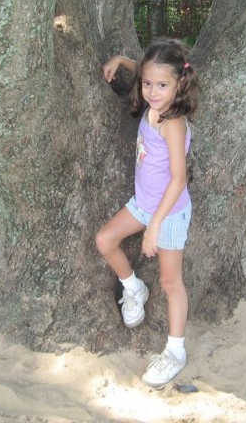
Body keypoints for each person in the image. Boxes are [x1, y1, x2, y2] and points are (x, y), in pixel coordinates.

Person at [96, 37, 201, 388]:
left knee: (171, 282)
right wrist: (120, 60)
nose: (153, 92)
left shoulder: (173, 122)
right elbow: (143, 69)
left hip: (168, 213)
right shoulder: (152, 100)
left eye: (162, 85)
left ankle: (175, 351)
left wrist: (154, 227)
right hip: (143, 204)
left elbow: (178, 179)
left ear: (179, 84)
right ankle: (134, 287)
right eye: (147, 84)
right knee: (105, 240)